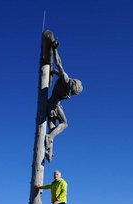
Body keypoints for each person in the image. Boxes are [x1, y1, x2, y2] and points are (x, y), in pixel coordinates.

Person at [44, 31, 83, 162]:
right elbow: (59, 64)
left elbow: (57, 70)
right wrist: (55, 48)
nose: (72, 94)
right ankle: (49, 139)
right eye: (73, 91)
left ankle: (49, 150)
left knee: (53, 128)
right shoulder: (66, 80)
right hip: (53, 104)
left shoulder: (64, 83)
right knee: (64, 124)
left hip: (55, 105)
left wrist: (53, 72)